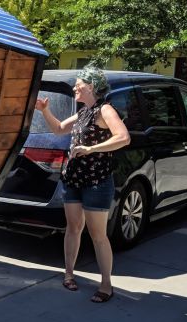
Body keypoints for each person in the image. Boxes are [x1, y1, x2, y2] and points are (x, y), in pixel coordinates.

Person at [35, 66, 130, 303]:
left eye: (79, 84)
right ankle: (69, 275)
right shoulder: (83, 112)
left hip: (96, 181)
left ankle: (106, 284)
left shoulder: (104, 110)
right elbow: (58, 130)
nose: (75, 87)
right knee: (74, 228)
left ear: (91, 87)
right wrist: (45, 111)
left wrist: (91, 149)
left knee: (98, 235)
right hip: (73, 178)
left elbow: (123, 137)